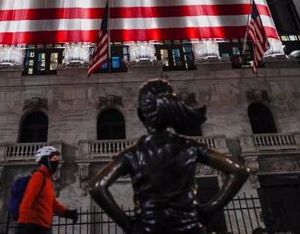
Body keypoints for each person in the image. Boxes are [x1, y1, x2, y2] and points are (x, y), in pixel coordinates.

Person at [89, 79, 249, 234]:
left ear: (140, 114)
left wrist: (128, 225)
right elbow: (240, 170)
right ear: (173, 112)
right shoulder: (189, 147)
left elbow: (97, 187)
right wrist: (209, 210)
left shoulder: (132, 154)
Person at [17, 145, 78, 233]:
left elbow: (52, 203)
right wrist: (22, 223)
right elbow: (27, 200)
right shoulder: (38, 176)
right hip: (33, 227)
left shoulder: (48, 180)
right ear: (45, 160)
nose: (56, 162)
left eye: (57, 159)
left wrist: (68, 213)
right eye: (54, 158)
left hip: (44, 227)